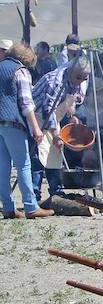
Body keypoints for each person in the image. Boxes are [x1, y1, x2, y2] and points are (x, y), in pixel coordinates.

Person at [0, 43, 55, 219]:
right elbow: (26, 103)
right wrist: (36, 128)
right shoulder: (20, 71)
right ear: (25, 58)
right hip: (13, 123)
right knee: (24, 164)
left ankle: (8, 207)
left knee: (2, 168)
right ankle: (31, 207)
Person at [30, 56, 91, 199]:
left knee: (54, 154)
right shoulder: (56, 81)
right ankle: (34, 194)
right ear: (71, 71)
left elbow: (68, 102)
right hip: (37, 118)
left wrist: (72, 116)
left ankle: (56, 192)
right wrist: (56, 135)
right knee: (38, 156)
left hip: (53, 119)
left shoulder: (75, 82)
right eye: (79, 77)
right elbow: (48, 109)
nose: (80, 81)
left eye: (84, 78)